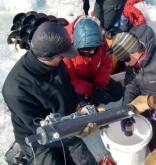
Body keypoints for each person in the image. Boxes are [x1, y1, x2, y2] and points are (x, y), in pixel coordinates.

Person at [2, 22, 97, 165]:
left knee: (86, 162)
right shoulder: (15, 89)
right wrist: (74, 132)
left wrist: (81, 107)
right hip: (37, 137)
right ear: (48, 57)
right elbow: (39, 130)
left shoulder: (56, 63)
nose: (65, 59)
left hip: (65, 123)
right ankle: (21, 152)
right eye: (62, 56)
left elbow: (69, 92)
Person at [112, 24, 156, 164]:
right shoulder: (133, 65)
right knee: (132, 133)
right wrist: (127, 110)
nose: (125, 64)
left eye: (126, 59)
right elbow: (131, 86)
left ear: (134, 52)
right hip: (145, 103)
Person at [64, 16, 123, 106]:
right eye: (87, 50)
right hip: (77, 84)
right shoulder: (66, 49)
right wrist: (90, 90)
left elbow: (106, 63)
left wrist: (99, 85)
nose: (91, 52)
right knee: (88, 104)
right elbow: (70, 80)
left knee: (117, 94)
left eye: (94, 49)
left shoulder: (101, 42)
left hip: (94, 77)